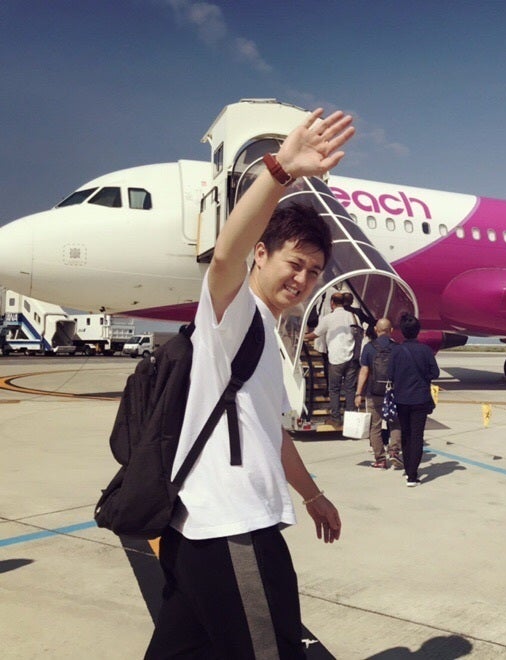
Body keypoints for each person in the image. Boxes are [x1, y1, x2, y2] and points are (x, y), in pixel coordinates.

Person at [145, 108, 354, 659]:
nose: (303, 279)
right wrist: (281, 169)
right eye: (295, 263)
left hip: (206, 533)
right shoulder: (236, 313)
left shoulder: (268, 333)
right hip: (231, 530)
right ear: (261, 254)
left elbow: (270, 434)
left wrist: (312, 495)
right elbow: (225, 256)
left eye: (314, 271)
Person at [388, 313, 439, 486]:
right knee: (417, 435)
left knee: (406, 433)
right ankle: (412, 474)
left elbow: (390, 374)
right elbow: (435, 373)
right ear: (418, 331)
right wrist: (423, 377)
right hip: (420, 398)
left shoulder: (396, 350)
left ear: (402, 331)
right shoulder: (425, 350)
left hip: (401, 398)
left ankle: (408, 468)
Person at [304, 292, 359, 428]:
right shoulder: (352, 316)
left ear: (332, 303)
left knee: (334, 389)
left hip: (336, 358)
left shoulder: (328, 318)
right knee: (350, 389)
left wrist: (302, 337)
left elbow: (316, 334)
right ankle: (350, 420)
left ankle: (336, 418)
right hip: (351, 357)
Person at [354, 318, 403, 469]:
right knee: (395, 423)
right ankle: (394, 451)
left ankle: (380, 459)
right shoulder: (397, 348)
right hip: (393, 393)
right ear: (391, 330)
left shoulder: (369, 347)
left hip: (374, 392)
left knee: (374, 427)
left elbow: (364, 371)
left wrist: (358, 393)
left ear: (376, 330)